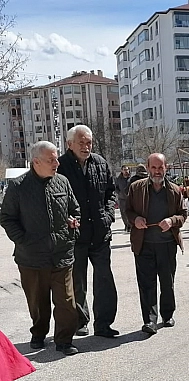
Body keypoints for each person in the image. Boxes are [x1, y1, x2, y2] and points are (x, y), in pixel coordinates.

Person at [0, 141, 82, 355]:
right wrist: (22, 240)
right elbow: (7, 218)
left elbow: (75, 209)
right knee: (37, 302)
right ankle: (39, 333)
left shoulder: (62, 182)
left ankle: (64, 340)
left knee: (66, 301)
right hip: (31, 258)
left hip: (62, 254)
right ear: (36, 162)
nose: (56, 163)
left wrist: (73, 225)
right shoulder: (18, 187)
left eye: (56, 158)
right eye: (51, 160)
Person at [57, 125, 119, 339]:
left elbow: (111, 192)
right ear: (69, 144)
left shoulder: (100, 163)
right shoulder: (61, 166)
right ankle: (80, 321)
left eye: (89, 142)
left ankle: (104, 324)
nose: (86, 147)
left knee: (104, 281)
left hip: (100, 234)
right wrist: (64, 219)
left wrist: (108, 215)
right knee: (77, 282)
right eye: (81, 142)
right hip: (75, 237)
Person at [125, 153, 187, 335]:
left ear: (166, 167)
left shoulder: (174, 190)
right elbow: (127, 210)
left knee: (167, 282)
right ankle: (149, 320)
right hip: (143, 244)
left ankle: (167, 315)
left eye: (160, 167)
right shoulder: (136, 188)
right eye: (154, 167)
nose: (157, 171)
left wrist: (171, 220)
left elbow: (183, 215)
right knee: (146, 284)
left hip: (167, 244)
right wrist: (135, 219)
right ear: (147, 167)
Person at [116, 165, 132, 232]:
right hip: (122, 199)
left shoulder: (131, 179)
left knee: (130, 212)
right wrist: (119, 193)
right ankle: (126, 225)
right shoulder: (118, 179)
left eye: (127, 169)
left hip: (130, 198)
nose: (126, 171)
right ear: (122, 171)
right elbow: (116, 187)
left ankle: (130, 225)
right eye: (124, 170)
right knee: (123, 213)